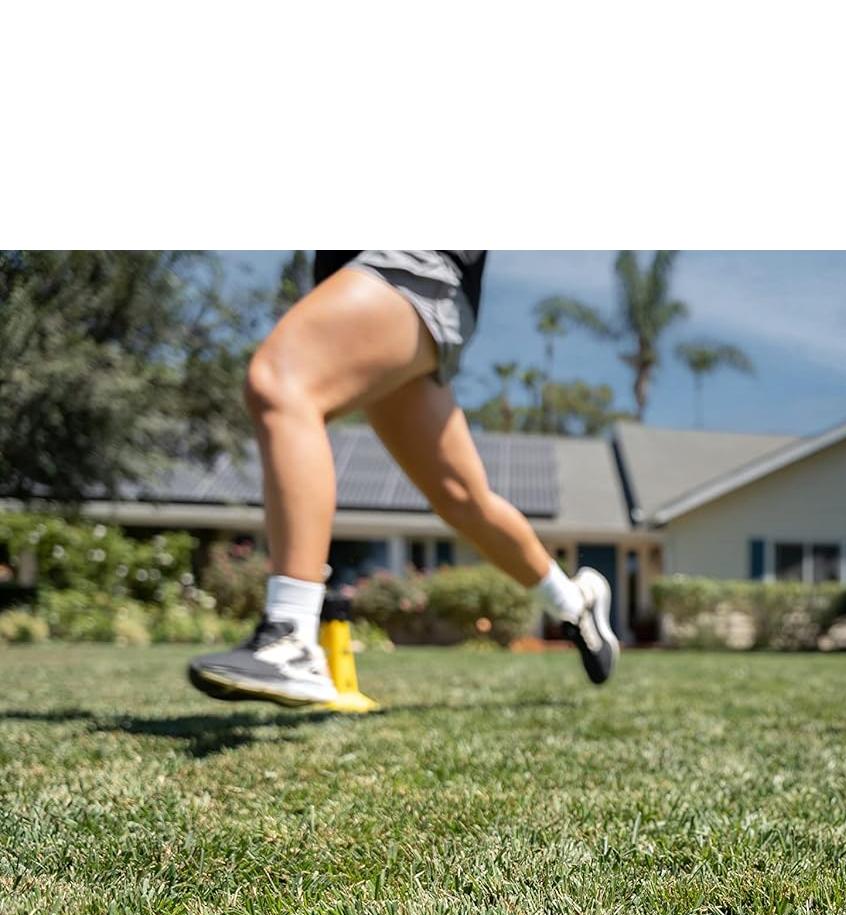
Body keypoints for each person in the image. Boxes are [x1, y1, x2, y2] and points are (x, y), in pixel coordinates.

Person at [188, 250, 616, 706]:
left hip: (413, 262)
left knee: (281, 383)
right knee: (461, 499)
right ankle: (573, 602)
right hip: (379, 282)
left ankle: (290, 636)